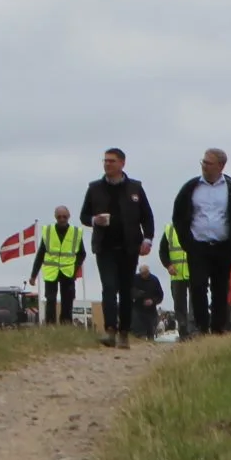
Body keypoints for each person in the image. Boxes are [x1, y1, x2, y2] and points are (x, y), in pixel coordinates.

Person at [172, 148, 231, 336]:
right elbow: (178, 216)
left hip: (224, 247)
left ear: (221, 165)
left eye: (209, 163)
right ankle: (202, 328)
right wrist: (188, 242)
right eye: (203, 162)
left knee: (220, 288)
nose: (204, 166)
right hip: (198, 246)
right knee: (198, 286)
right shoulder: (191, 188)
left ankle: (218, 328)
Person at [82, 147, 157, 348]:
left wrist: (148, 239)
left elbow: (147, 216)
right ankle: (110, 331)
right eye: (105, 161)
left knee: (125, 290)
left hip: (129, 246)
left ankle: (124, 332)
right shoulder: (95, 188)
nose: (108, 164)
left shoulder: (135, 188)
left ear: (122, 163)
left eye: (112, 161)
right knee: (108, 287)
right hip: (104, 246)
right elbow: (83, 216)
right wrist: (94, 220)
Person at [30, 205, 87, 325]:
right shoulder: (49, 232)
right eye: (59, 216)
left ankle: (66, 325)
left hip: (68, 272)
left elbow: (82, 253)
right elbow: (40, 254)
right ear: (55, 217)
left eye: (64, 216)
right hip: (51, 272)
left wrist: (75, 269)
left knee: (68, 301)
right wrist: (33, 276)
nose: (62, 219)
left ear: (69, 217)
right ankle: (51, 326)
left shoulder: (75, 232)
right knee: (50, 300)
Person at [158, 222, 194, 339]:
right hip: (176, 274)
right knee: (179, 304)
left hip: (195, 273)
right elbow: (162, 251)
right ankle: (183, 331)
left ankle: (194, 330)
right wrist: (168, 265)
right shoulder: (170, 230)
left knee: (197, 302)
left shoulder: (199, 228)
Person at [132, 262, 164, 339]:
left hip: (151, 309)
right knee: (138, 327)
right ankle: (139, 337)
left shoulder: (154, 280)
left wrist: (152, 301)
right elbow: (130, 291)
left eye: (146, 273)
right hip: (138, 307)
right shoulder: (135, 279)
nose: (144, 275)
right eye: (142, 273)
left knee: (150, 329)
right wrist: (139, 294)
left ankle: (151, 340)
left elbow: (160, 295)